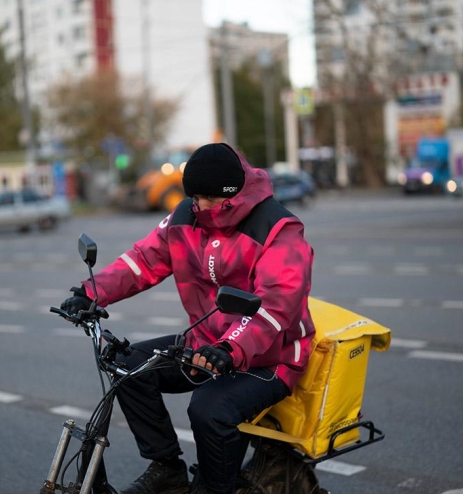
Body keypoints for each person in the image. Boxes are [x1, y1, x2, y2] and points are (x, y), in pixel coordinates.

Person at [61, 143, 315, 494]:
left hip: (270, 357)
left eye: (209, 199)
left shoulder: (278, 229)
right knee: (127, 366)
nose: (200, 207)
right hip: (206, 344)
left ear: (233, 193)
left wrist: (230, 348)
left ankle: (213, 489)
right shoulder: (186, 217)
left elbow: (275, 307)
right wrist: (89, 292)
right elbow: (143, 261)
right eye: (195, 198)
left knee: (210, 407)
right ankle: (167, 468)